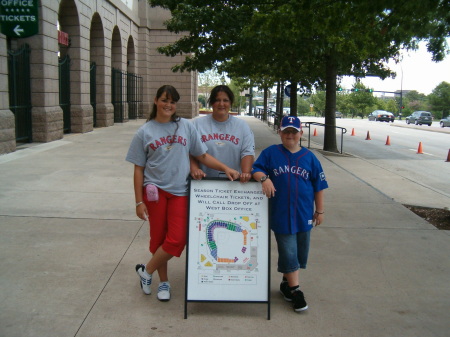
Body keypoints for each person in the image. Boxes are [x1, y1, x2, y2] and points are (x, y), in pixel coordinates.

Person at [126, 85, 240, 301]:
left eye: (172, 101)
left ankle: (146, 271)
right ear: (155, 101)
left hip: (180, 191)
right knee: (158, 238)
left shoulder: (185, 127)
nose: (168, 105)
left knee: (177, 239)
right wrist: (138, 202)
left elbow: (202, 155)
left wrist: (225, 168)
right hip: (155, 193)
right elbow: (138, 169)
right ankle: (164, 283)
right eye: (164, 100)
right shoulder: (144, 132)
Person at [251, 116, 328, 312]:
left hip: (303, 213)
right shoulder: (271, 153)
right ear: (280, 133)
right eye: (286, 131)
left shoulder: (309, 157)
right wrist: (265, 179)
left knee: (300, 252)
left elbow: (319, 186)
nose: (290, 135)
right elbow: (256, 169)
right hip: (281, 213)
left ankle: (286, 284)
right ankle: (295, 290)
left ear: (301, 134)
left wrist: (319, 211)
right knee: (288, 251)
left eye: (294, 132)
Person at [190, 85, 255, 182]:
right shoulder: (197, 125)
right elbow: (191, 152)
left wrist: (246, 173)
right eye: (217, 100)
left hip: (233, 181)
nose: (221, 104)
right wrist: (195, 169)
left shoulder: (242, 126)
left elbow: (247, 152)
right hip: (204, 182)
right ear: (212, 102)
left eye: (225, 100)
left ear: (231, 103)